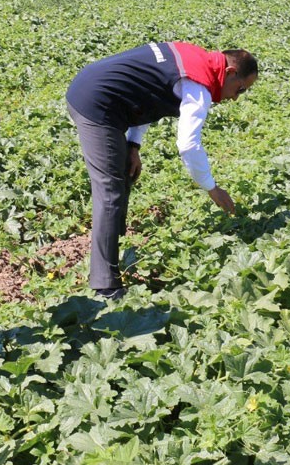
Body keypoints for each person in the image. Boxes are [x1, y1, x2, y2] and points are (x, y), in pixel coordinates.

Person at [66, 42, 259, 299]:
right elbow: (188, 145)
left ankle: (114, 238)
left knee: (123, 170)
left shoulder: (192, 57)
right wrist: (211, 187)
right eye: (241, 90)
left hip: (97, 89)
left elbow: (146, 92)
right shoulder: (199, 85)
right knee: (109, 189)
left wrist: (133, 145)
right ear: (231, 72)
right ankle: (105, 286)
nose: (235, 98)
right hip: (96, 103)